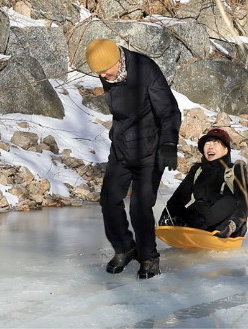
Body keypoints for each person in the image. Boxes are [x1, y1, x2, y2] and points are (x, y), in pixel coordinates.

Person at [85, 39, 181, 279]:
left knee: (140, 207)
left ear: (118, 59)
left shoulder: (145, 69)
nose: (104, 76)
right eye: (100, 73)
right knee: (109, 200)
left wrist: (169, 144)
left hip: (150, 150)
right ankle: (124, 247)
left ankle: (149, 257)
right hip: (122, 147)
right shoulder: (108, 72)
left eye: (107, 70)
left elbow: (169, 110)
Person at [159, 128, 248, 238]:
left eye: (216, 143)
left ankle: (218, 228)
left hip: (227, 224)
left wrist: (233, 224)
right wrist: (166, 215)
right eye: (208, 143)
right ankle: (186, 224)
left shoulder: (236, 170)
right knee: (195, 205)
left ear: (226, 150)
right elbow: (179, 197)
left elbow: (244, 204)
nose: (210, 146)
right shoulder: (197, 169)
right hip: (200, 220)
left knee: (230, 201)